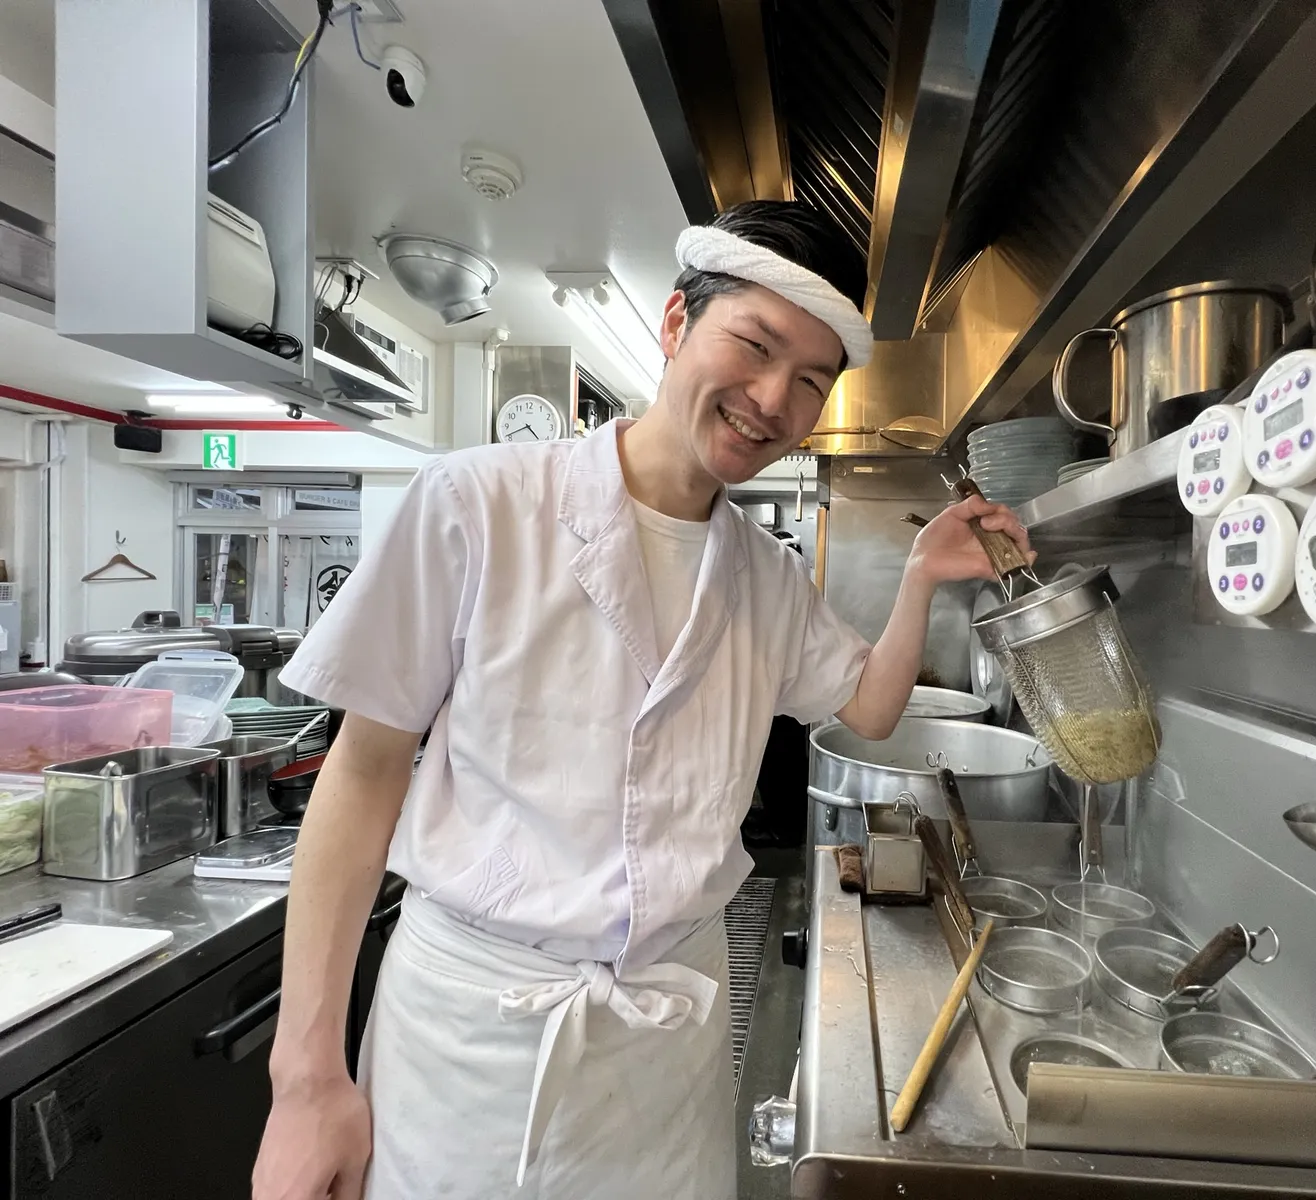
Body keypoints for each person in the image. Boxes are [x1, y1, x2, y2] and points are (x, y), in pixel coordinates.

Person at [251, 199, 1034, 1200]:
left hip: (666, 1052)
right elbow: (361, 779)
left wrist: (924, 573)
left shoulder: (765, 578)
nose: (771, 400)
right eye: (751, 345)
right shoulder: (479, 505)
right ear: (675, 324)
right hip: (475, 1041)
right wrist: (305, 1077)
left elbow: (871, 710)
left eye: (808, 382)